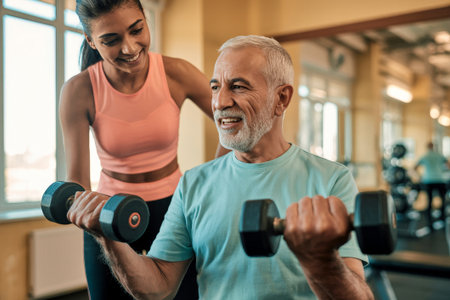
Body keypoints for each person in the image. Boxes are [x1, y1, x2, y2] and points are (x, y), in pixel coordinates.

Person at [66, 35, 374, 299]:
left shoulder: (331, 180)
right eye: (215, 87)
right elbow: (157, 288)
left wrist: (320, 260)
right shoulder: (194, 184)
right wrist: (108, 238)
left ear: (282, 98)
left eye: (238, 86)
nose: (220, 102)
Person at [59, 0, 226, 299]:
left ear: (146, 20)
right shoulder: (79, 90)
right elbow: (78, 182)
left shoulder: (177, 72)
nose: (129, 47)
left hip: (174, 209)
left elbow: (231, 120)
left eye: (137, 30)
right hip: (109, 212)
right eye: (111, 40)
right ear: (90, 40)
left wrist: (210, 182)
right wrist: (80, 209)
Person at [414, 142, 450, 228]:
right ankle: (442, 219)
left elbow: (414, 168)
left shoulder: (425, 156)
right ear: (433, 147)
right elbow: (448, 165)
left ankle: (429, 222)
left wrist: (419, 177)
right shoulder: (439, 156)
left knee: (429, 201)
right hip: (440, 180)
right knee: (442, 199)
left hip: (428, 180)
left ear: (427, 147)